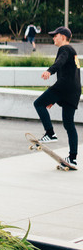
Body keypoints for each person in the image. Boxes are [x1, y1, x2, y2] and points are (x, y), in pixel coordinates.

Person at [33, 26, 80, 168]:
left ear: (63, 37)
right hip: (73, 91)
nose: (53, 38)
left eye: (56, 36)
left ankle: (50, 133)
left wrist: (50, 71)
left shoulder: (65, 49)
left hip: (64, 87)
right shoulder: (73, 51)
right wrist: (54, 99)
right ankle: (73, 158)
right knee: (69, 124)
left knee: (38, 103)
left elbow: (60, 62)